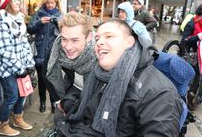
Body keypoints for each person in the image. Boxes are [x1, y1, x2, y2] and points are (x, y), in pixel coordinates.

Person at [55, 19, 183, 136]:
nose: (99, 42)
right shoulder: (100, 74)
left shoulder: (159, 94)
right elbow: (89, 113)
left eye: (109, 36)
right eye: (97, 38)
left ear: (129, 42)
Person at [0, 0, 35, 136]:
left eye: (19, 0)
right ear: (6, 4)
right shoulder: (0, 24)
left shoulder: (19, 21)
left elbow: (25, 45)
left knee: (22, 94)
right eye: (14, 0)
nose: (18, 2)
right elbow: (5, 52)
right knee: (12, 96)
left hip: (21, 66)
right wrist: (20, 68)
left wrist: (29, 64)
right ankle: (2, 125)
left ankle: (18, 118)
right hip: (7, 69)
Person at [46, 12, 96, 123]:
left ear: (89, 37)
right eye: (64, 39)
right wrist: (57, 100)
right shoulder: (57, 47)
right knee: (59, 116)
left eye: (75, 40)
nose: (68, 47)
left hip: (93, 94)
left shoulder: (99, 53)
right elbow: (47, 72)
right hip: (73, 88)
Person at [27, 0, 62, 113]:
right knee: (42, 79)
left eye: (52, 3)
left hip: (54, 53)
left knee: (52, 79)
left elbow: (65, 31)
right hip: (39, 51)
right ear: (44, 3)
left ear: (56, 3)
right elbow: (30, 29)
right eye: (48, 2)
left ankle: (53, 102)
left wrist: (57, 22)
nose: (50, 5)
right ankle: (42, 102)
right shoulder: (38, 14)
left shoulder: (61, 15)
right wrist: (40, 22)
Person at [181, 4, 202, 110]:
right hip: (192, 55)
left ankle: (195, 96)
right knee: (192, 76)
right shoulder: (192, 23)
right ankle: (188, 98)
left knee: (198, 77)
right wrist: (197, 37)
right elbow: (184, 41)